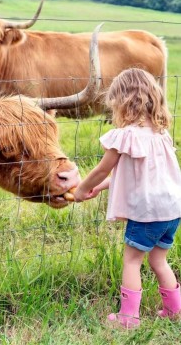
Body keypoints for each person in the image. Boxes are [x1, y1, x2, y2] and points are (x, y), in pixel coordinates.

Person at [74, 68, 181, 329]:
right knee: (158, 260)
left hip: (147, 214)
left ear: (121, 102)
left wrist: (82, 188)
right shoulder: (160, 134)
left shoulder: (126, 136)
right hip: (172, 211)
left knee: (132, 261)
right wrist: (100, 188)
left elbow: (102, 169)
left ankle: (128, 319)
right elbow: (137, 176)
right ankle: (174, 310)